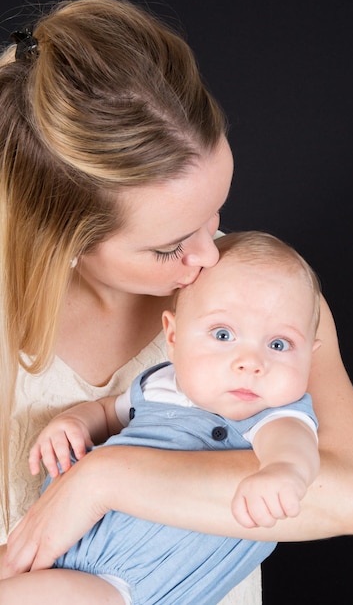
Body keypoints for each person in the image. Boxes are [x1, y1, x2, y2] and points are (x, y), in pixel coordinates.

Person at [0, 0, 353, 605]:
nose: (211, 256)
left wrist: (103, 478)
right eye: (170, 247)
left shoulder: (265, 301)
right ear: (62, 241)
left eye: (217, 212)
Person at [0, 231, 322, 604]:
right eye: (222, 335)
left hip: (123, 583)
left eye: (279, 345)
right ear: (173, 336)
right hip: (55, 548)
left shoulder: (275, 414)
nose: (251, 363)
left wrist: (284, 473)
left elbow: (293, 447)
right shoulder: (161, 384)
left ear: (310, 356)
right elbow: (109, 411)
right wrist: (73, 423)